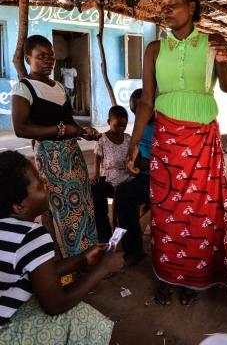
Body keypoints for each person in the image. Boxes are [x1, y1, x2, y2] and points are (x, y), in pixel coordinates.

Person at [127, 0, 227, 305]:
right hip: (166, 142)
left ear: (192, 6)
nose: (166, 10)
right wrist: (134, 142)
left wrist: (224, 62)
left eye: (173, 4)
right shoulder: (155, 50)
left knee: (201, 212)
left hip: (202, 140)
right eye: (162, 5)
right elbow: (147, 100)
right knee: (166, 210)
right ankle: (166, 274)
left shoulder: (213, 42)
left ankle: (193, 279)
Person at [0, 150, 124, 344]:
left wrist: (82, 259)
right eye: (39, 185)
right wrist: (103, 268)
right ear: (19, 207)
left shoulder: (8, 231)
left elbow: (37, 271)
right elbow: (56, 305)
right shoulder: (31, 236)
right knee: (85, 320)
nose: (46, 184)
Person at [12, 35, 101, 257]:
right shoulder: (24, 88)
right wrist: (61, 130)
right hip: (51, 159)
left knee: (84, 206)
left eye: (51, 56)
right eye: (41, 56)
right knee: (66, 210)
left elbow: (68, 121)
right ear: (27, 58)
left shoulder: (59, 86)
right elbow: (21, 129)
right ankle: (77, 260)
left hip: (73, 155)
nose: (48, 60)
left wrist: (83, 131)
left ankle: (91, 255)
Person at [114, 88, 154, 266]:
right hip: (144, 177)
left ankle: (135, 247)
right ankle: (133, 249)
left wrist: (151, 164)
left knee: (125, 194)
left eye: (139, 111)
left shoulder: (163, 126)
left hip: (162, 180)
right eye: (134, 112)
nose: (137, 115)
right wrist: (135, 161)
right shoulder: (141, 126)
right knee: (122, 193)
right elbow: (138, 149)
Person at [91, 105, 132, 242]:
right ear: (109, 122)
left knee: (123, 200)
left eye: (124, 126)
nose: (121, 129)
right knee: (95, 190)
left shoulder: (127, 138)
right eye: (117, 126)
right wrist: (96, 174)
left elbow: (133, 157)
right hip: (108, 178)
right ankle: (104, 234)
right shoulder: (102, 139)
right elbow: (97, 156)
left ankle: (122, 233)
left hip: (126, 178)